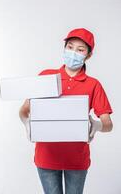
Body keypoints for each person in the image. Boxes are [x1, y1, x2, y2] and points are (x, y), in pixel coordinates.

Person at [19, 28, 113, 194]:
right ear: (64, 48)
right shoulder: (45, 77)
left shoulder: (93, 84)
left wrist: (97, 125)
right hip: (46, 157)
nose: (73, 52)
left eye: (80, 49)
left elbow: (108, 124)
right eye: (70, 47)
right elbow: (24, 110)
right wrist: (27, 123)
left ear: (88, 55)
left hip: (77, 160)